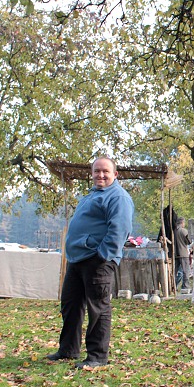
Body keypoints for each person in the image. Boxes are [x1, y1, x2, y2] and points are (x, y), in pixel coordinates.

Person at [47, 157, 134, 369]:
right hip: (77, 259)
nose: (100, 175)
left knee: (98, 308)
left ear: (115, 174)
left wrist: (103, 255)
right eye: (97, 171)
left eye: (105, 171)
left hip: (97, 260)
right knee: (71, 305)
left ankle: (97, 356)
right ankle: (68, 349)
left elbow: (120, 229)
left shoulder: (118, 197)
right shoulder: (92, 195)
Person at [174, 217, 192, 293]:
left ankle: (173, 285)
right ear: (182, 223)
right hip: (183, 253)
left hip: (175, 253)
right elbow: (189, 241)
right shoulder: (184, 231)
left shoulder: (174, 231)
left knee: (175, 271)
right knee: (186, 271)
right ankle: (185, 286)